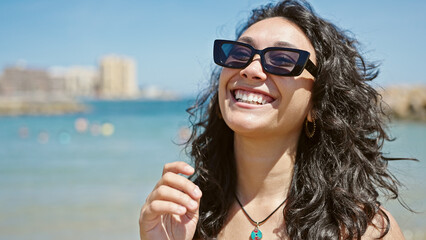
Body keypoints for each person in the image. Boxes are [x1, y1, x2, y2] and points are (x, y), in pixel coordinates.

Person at [139, 0, 408, 239]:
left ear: (318, 102)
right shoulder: (182, 217)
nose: (251, 69)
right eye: (239, 54)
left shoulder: (363, 230)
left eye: (282, 59)